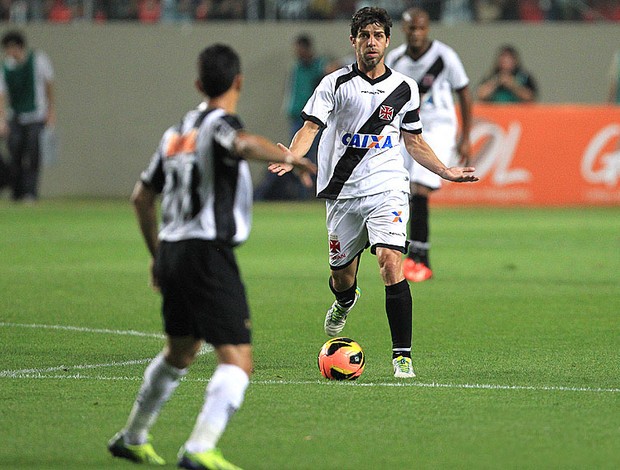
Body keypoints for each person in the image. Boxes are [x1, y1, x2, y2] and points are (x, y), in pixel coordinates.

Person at [107, 43, 314, 469]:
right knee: (238, 360)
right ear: (239, 81)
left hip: (174, 251)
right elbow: (241, 144)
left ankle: (132, 436)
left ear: (199, 84)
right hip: (207, 254)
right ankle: (201, 446)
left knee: (180, 353)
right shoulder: (220, 124)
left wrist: (157, 255)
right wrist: (291, 157)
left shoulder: (174, 134)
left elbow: (141, 198)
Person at [269, 7, 478, 378]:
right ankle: (345, 301)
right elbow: (310, 129)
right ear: (353, 41)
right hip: (343, 193)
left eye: (378, 35)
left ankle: (402, 358)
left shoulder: (403, 89)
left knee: (389, 262)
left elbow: (413, 142)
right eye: (364, 36)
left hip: (387, 188)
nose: (371, 42)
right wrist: (292, 154)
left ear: (387, 40)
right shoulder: (333, 85)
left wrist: (444, 171)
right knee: (342, 278)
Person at [385, 7, 473, 282]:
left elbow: (465, 93)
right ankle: (402, 252)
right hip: (408, 129)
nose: (416, 33)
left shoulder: (445, 56)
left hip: (439, 126)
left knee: (420, 186)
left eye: (421, 28)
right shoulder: (396, 59)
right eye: (411, 28)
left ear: (428, 29)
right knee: (398, 186)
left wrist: (466, 136)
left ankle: (420, 257)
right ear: (404, 29)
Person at [254, 33, 327, 201]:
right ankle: (303, 195)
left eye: (300, 48)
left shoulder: (319, 67)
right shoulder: (296, 67)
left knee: (313, 156)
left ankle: (315, 194)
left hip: (313, 120)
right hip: (296, 118)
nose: (297, 52)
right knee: (296, 156)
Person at [0, 30, 55, 202]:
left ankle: (30, 193)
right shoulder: (5, 68)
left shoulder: (38, 60)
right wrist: (2, 120)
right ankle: (16, 192)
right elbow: (1, 95)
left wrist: (51, 111)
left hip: (36, 116)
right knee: (15, 153)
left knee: (32, 155)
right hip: (15, 116)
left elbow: (48, 85)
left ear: (19, 47)